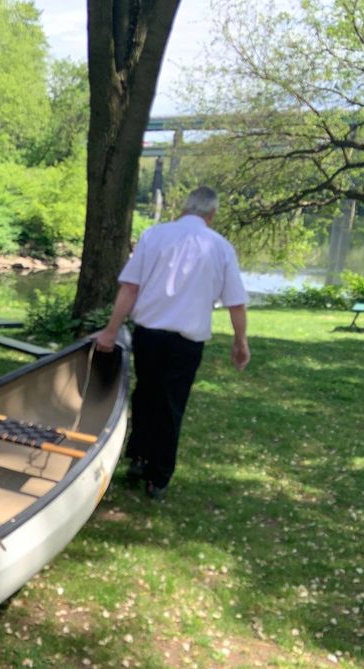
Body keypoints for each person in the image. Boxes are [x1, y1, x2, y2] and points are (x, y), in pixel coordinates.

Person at [95, 186, 250, 500]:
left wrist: (111, 330)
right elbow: (236, 303)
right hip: (185, 342)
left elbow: (130, 288)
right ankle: (158, 475)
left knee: (145, 394)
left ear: (184, 208)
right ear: (212, 213)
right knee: (170, 403)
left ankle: (139, 457)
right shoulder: (220, 247)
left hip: (149, 335)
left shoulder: (154, 236)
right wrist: (240, 342)